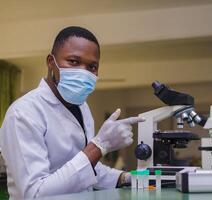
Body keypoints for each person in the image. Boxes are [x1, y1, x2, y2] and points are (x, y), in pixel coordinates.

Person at [0, 26, 144, 199]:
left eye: (92, 66)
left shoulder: (82, 107)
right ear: (51, 62)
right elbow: (34, 193)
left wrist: (124, 177)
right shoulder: (23, 113)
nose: (83, 72)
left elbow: (84, 168)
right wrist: (99, 146)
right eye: (74, 61)